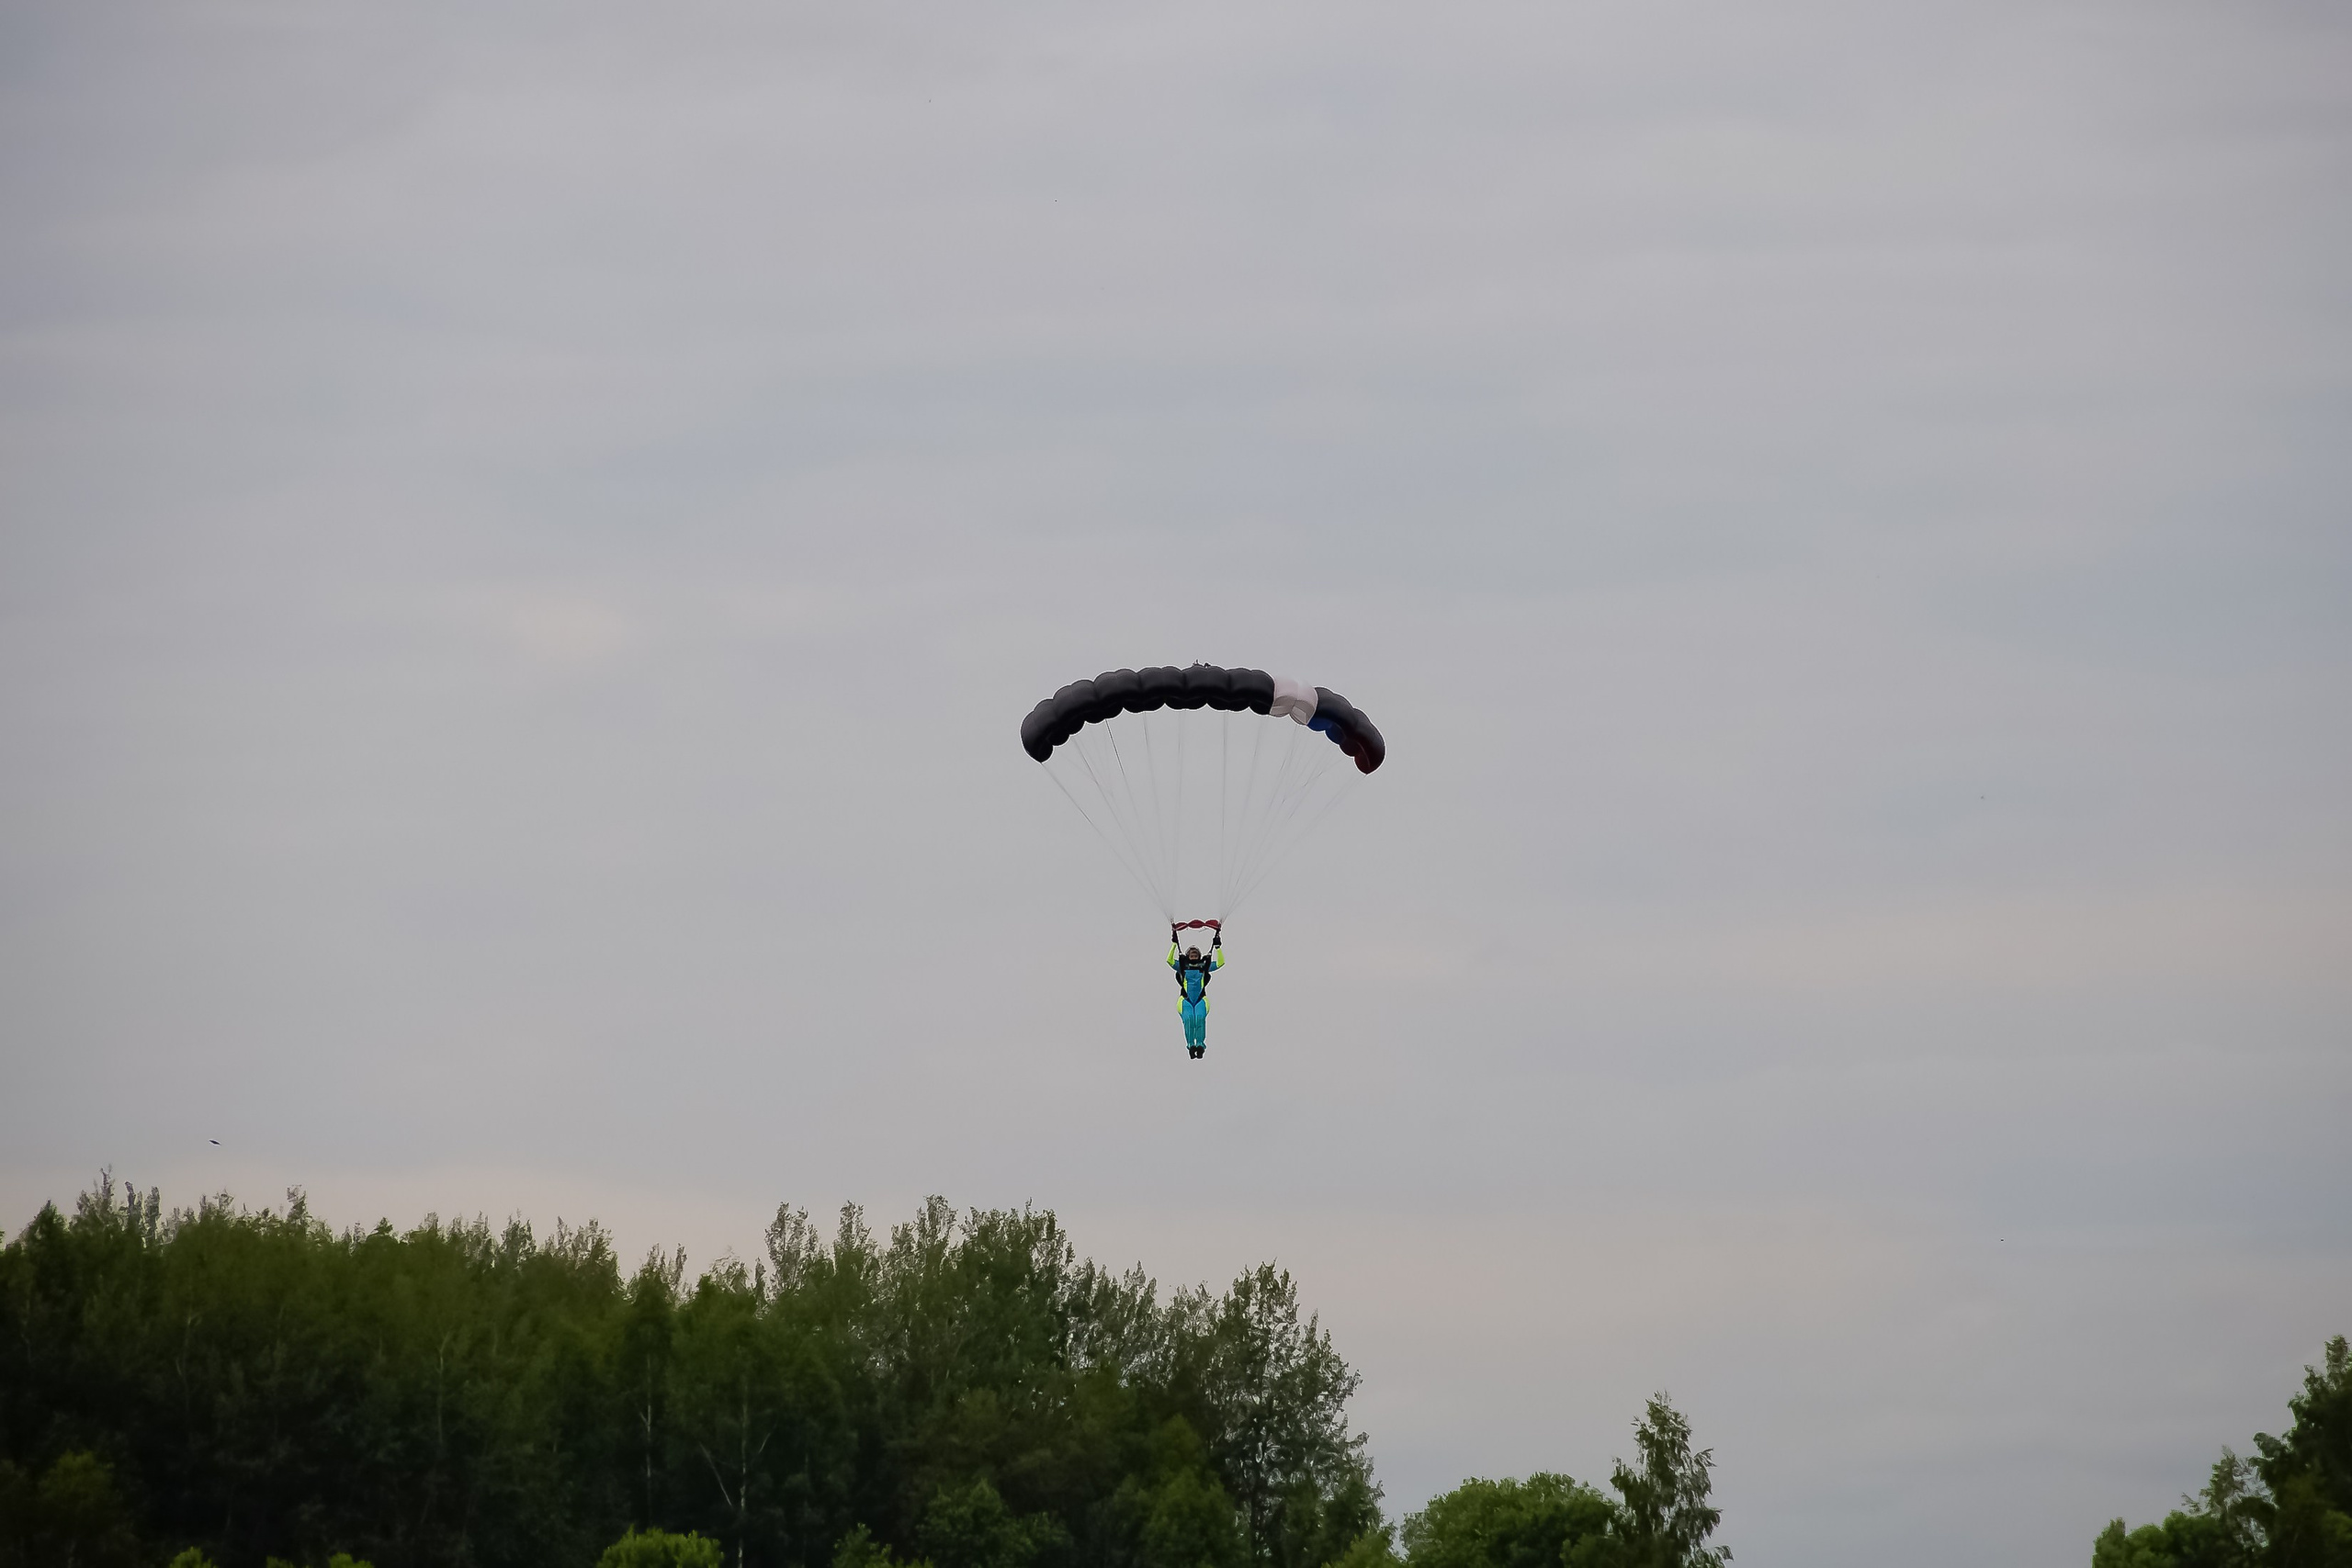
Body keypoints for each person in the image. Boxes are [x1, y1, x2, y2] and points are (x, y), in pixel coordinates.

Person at [1167, 926, 1224, 1059]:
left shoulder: (1204, 966)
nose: (1193, 957)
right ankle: (1191, 1045)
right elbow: (1169, 960)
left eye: (1195, 955)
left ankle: (1200, 1045)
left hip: (1200, 999)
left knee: (1199, 1019)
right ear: (1187, 956)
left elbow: (1221, 963)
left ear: (1199, 956)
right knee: (1189, 1020)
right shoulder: (1182, 966)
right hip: (1185, 1000)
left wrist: (1217, 947)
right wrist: (1174, 944)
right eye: (1191, 955)